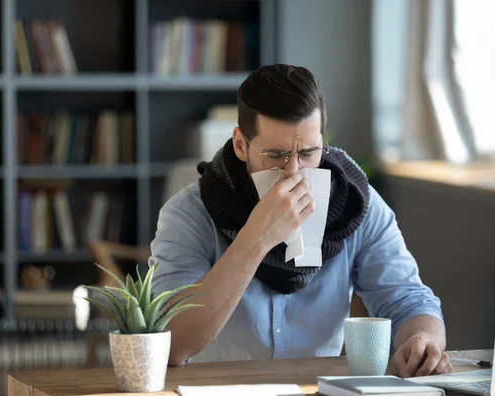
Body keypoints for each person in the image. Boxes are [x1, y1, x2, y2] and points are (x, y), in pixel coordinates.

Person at [150, 63, 451, 378]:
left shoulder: (355, 203)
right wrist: (257, 238)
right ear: (241, 144)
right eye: (276, 155)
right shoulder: (188, 213)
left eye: (308, 152)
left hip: (318, 391)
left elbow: (407, 299)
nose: (294, 171)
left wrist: (423, 339)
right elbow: (172, 343)